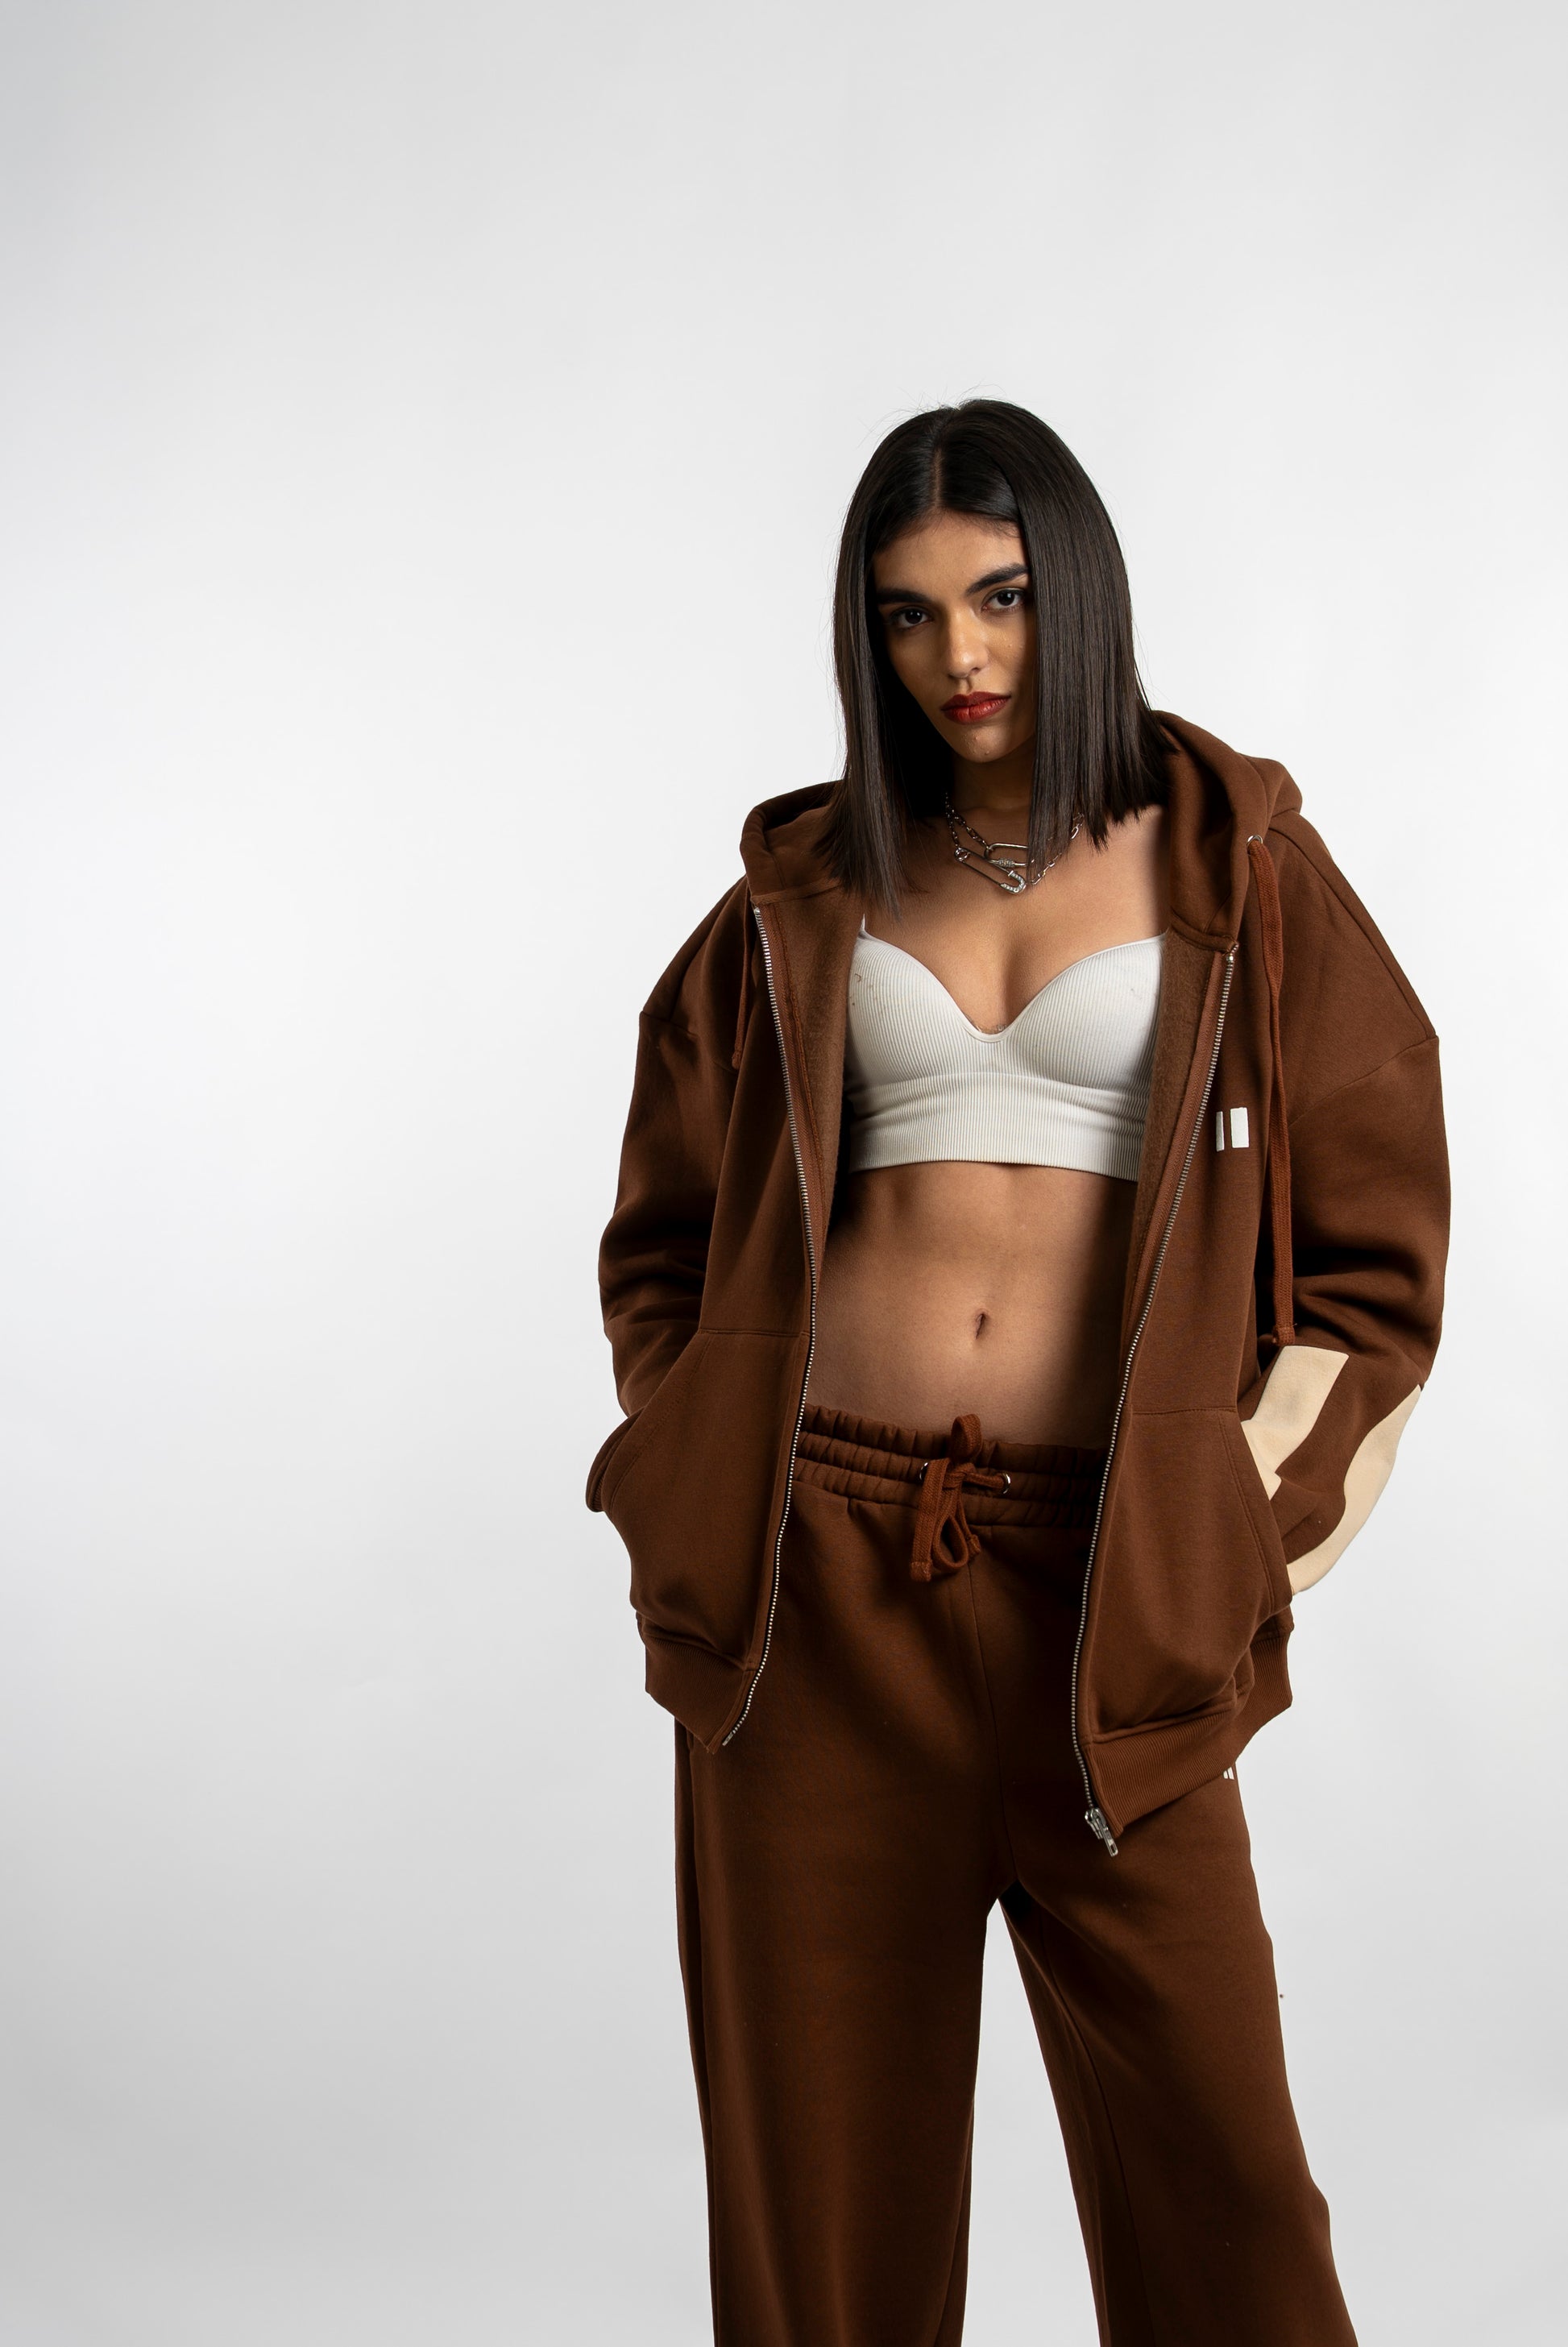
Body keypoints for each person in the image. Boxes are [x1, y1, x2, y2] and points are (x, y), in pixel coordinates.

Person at [587, 399, 1449, 2346]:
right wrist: (689, 1448)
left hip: (1109, 1603)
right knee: (823, 2223)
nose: (958, 656)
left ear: (1079, 587)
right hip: (813, 1589)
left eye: (999, 596)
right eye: (905, 615)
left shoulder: (1240, 868)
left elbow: (1372, 1267)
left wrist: (1222, 1532)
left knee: (1226, 2192)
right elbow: (665, 1227)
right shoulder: (811, 885)